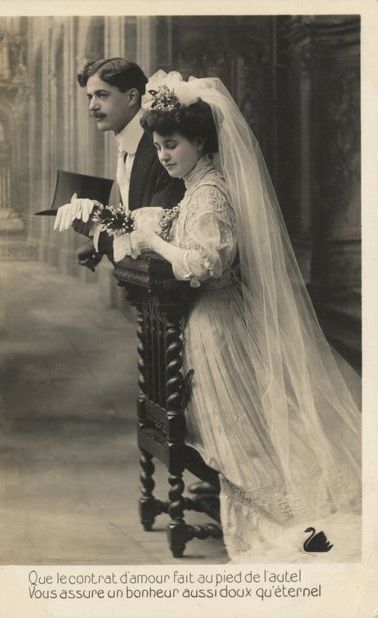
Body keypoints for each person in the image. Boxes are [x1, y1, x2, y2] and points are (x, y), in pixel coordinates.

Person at [123, 70, 361, 563]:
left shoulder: (209, 193)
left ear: (199, 141)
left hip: (219, 322)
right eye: (159, 146)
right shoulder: (199, 184)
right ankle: (238, 492)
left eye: (171, 145)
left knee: (243, 436)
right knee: (238, 427)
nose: (164, 155)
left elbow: (209, 262)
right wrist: (152, 225)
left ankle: (288, 513)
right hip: (209, 320)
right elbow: (191, 234)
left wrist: (155, 243)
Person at [53, 58, 184, 267]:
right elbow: (136, 219)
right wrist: (96, 244)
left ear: (132, 97)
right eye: (90, 97)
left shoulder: (161, 151)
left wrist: (97, 234)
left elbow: (159, 240)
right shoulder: (130, 142)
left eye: (102, 95)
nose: (92, 106)